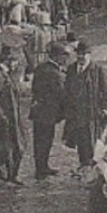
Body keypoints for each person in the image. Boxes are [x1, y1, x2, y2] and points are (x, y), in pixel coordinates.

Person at [63, 40, 107, 167]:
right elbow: (67, 89)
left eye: (84, 55)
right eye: (79, 55)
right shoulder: (71, 69)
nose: (81, 57)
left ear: (89, 55)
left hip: (92, 112)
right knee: (79, 140)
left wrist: (106, 108)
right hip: (76, 112)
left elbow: (105, 91)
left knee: (92, 140)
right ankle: (84, 164)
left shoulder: (97, 70)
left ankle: (93, 165)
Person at [28, 41, 68, 179]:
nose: (65, 59)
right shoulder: (54, 73)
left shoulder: (41, 68)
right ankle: (41, 168)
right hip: (47, 112)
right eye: (64, 56)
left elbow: (34, 88)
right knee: (44, 140)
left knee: (40, 140)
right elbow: (61, 94)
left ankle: (42, 166)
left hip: (38, 110)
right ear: (56, 56)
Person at [0, 54, 26, 185]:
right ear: (7, 60)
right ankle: (3, 177)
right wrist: (1, 116)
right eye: (15, 61)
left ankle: (12, 175)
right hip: (4, 120)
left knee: (17, 146)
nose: (16, 65)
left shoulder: (7, 75)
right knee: (3, 149)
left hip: (13, 117)